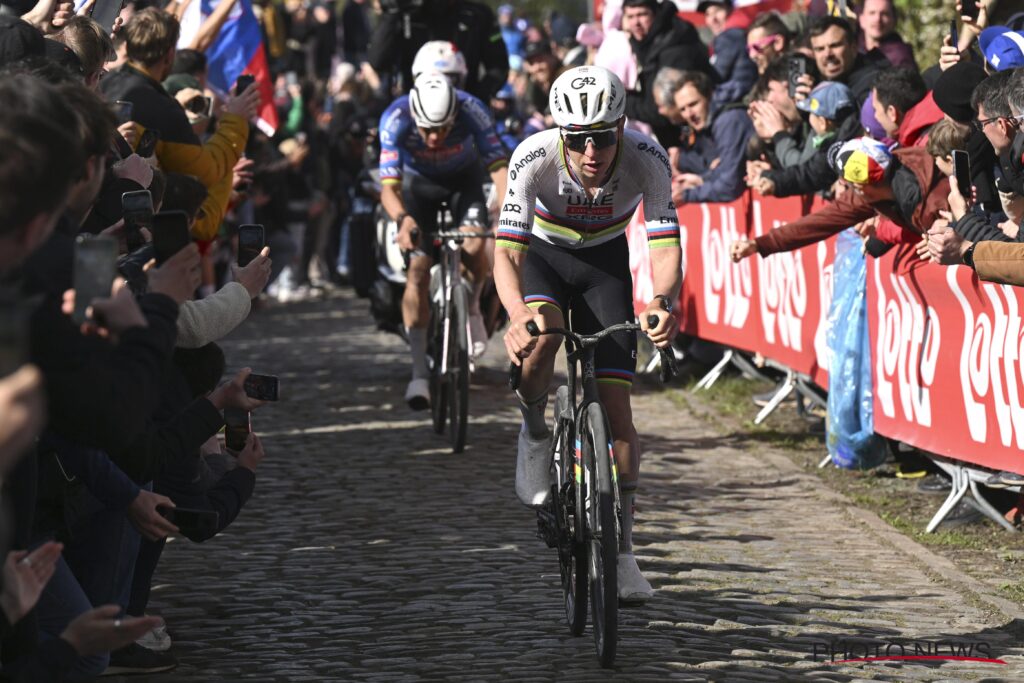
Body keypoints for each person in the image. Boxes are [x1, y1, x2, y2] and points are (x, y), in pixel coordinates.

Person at [494, 66, 681, 602]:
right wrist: (515, 314)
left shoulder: (647, 158)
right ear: (561, 134)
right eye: (577, 140)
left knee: (619, 414)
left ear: (621, 125)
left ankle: (624, 555)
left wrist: (660, 302)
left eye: (602, 136)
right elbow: (507, 252)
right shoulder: (533, 156)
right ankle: (535, 429)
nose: (591, 151)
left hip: (605, 264)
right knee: (543, 338)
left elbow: (666, 246)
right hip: (544, 258)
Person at [378, 73, 509, 408]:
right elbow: (389, 189)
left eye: (443, 128)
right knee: (417, 271)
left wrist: (509, 215)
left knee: (475, 244)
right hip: (417, 187)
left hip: (464, 182)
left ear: (455, 115)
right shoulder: (395, 118)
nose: (435, 137)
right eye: (427, 130)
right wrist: (403, 219)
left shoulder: (472, 109)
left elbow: (499, 167)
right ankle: (419, 373)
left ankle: (473, 308)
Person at [732, 136, 950, 261]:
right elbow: (819, 223)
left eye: (847, 183)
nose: (845, 188)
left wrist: (946, 235)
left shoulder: (930, 204)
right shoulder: (891, 169)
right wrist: (760, 244)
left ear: (860, 186)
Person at [620, 0, 714, 149]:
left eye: (642, 14)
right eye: (630, 16)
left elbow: (662, 110)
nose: (636, 23)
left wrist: (620, 101)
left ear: (656, 14)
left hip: (695, 143)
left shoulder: (676, 47)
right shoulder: (648, 42)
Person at [670, 69, 753, 205]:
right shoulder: (712, 122)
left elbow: (730, 185)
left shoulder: (728, 121)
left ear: (709, 95)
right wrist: (703, 179)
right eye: (682, 109)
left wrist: (686, 195)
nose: (689, 114)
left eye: (693, 104)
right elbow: (727, 169)